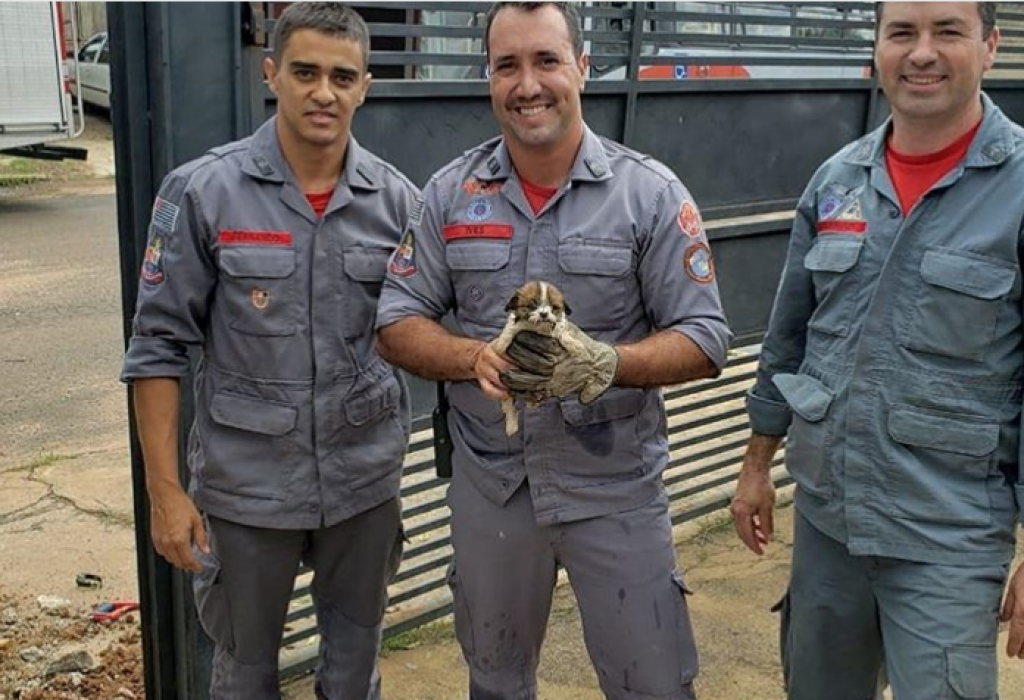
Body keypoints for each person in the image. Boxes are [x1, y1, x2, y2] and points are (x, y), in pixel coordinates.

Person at [375, 3, 731, 698]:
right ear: (488, 79)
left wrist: (609, 364)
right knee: (497, 682)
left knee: (653, 685)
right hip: (494, 489)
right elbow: (396, 318)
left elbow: (705, 336)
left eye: (546, 61)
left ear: (583, 69)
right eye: (508, 65)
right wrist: (469, 357)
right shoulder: (451, 194)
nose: (528, 83)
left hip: (616, 488)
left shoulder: (648, 195)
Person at [120, 4, 419, 698]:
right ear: (271, 75)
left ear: (364, 86)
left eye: (342, 76)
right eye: (305, 71)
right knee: (244, 675)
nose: (324, 92)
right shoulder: (203, 193)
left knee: (353, 673)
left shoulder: (399, 202)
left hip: (362, 486)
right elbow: (157, 348)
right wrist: (165, 494)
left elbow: (433, 328)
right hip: (246, 491)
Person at [730, 3, 1024, 699]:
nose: (921, 52)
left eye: (947, 31)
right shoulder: (837, 180)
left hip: (948, 535)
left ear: (990, 46)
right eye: (902, 33)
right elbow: (789, 338)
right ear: (878, 50)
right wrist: (755, 463)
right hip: (830, 521)